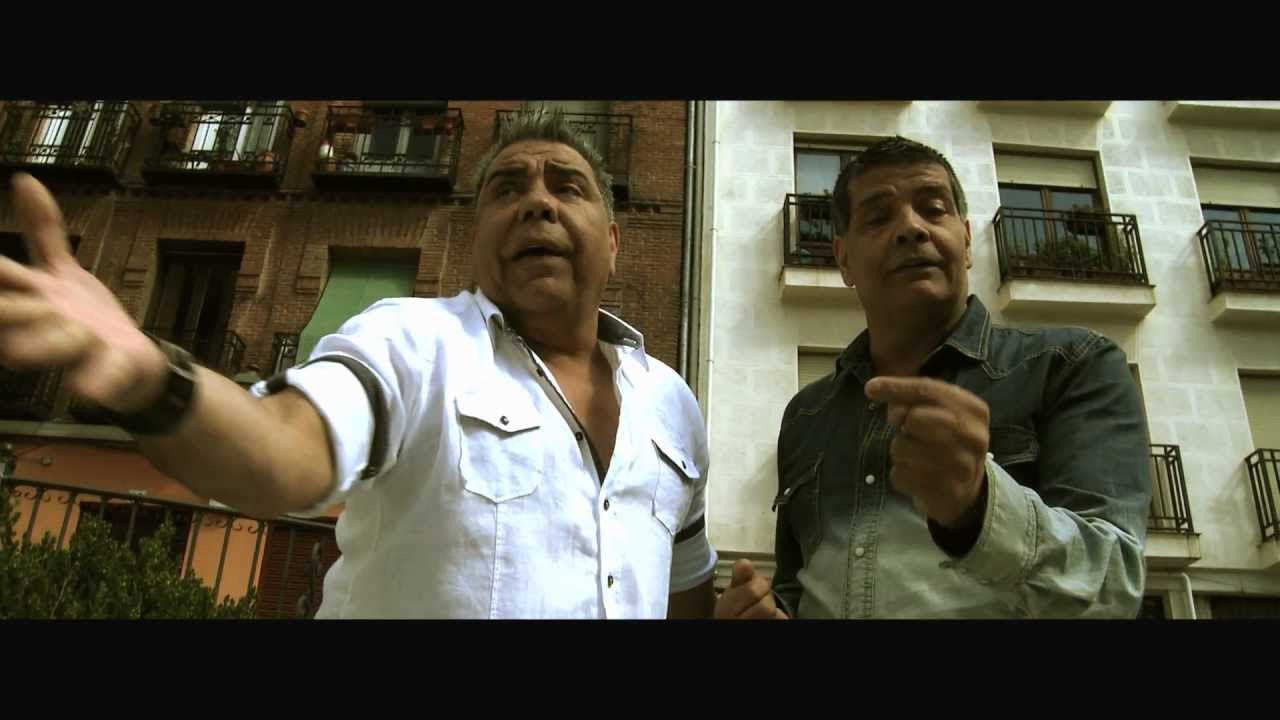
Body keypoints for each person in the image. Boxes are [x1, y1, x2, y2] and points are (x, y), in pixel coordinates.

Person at [0, 109, 717, 619]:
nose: (536, 203)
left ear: (613, 242)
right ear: (475, 240)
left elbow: (683, 589)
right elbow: (285, 448)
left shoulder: (671, 404)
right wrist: (152, 377)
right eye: (507, 189)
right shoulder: (415, 340)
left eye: (566, 186)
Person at [717, 136, 1150, 619]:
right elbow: (801, 586)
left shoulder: (1073, 366)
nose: (911, 228)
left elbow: (1114, 587)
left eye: (933, 209)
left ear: (966, 239)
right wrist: (770, 612)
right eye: (878, 217)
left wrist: (980, 508)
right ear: (843, 259)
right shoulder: (807, 414)